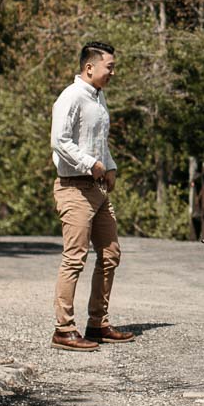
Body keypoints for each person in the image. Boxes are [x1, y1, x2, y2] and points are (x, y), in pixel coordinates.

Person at [49, 41, 135, 351]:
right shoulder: (70, 97)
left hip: (97, 190)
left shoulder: (99, 99)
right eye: (109, 66)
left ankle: (97, 323)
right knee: (75, 259)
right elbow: (59, 142)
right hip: (74, 188)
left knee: (110, 253)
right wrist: (92, 164)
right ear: (90, 67)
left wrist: (109, 166)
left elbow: (98, 143)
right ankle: (64, 329)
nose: (113, 71)